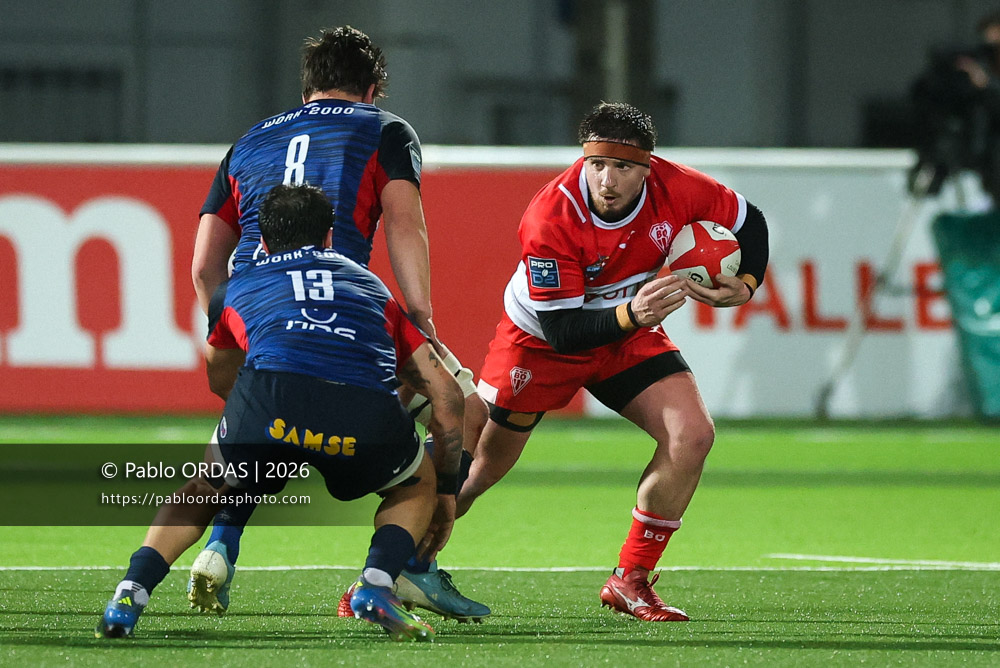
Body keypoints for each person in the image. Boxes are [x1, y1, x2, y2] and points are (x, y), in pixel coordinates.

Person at [189, 25, 489, 620]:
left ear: (308, 90)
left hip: (253, 313)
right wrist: (420, 321)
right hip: (341, 313)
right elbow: (405, 223)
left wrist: (234, 325)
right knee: (465, 407)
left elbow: (204, 265)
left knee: (261, 431)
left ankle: (220, 543)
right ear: (372, 87)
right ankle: (408, 569)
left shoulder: (248, 141)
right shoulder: (385, 130)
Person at [97, 183, 464, 641]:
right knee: (415, 484)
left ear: (263, 242)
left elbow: (220, 379)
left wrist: (271, 432)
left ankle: (131, 592)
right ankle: (375, 585)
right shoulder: (371, 287)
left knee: (205, 486)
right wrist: (446, 492)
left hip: (269, 402)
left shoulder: (236, 288)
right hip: (363, 409)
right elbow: (448, 398)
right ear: (330, 236)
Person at [455, 102, 769, 622]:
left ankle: (631, 580)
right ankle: (394, 569)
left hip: (628, 331)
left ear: (648, 167)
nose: (607, 179)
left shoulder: (679, 187)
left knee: (692, 434)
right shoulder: (550, 216)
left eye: (623, 167)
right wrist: (633, 313)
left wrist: (749, 281)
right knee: (478, 471)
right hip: (539, 344)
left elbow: (750, 220)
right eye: (597, 164)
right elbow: (564, 331)